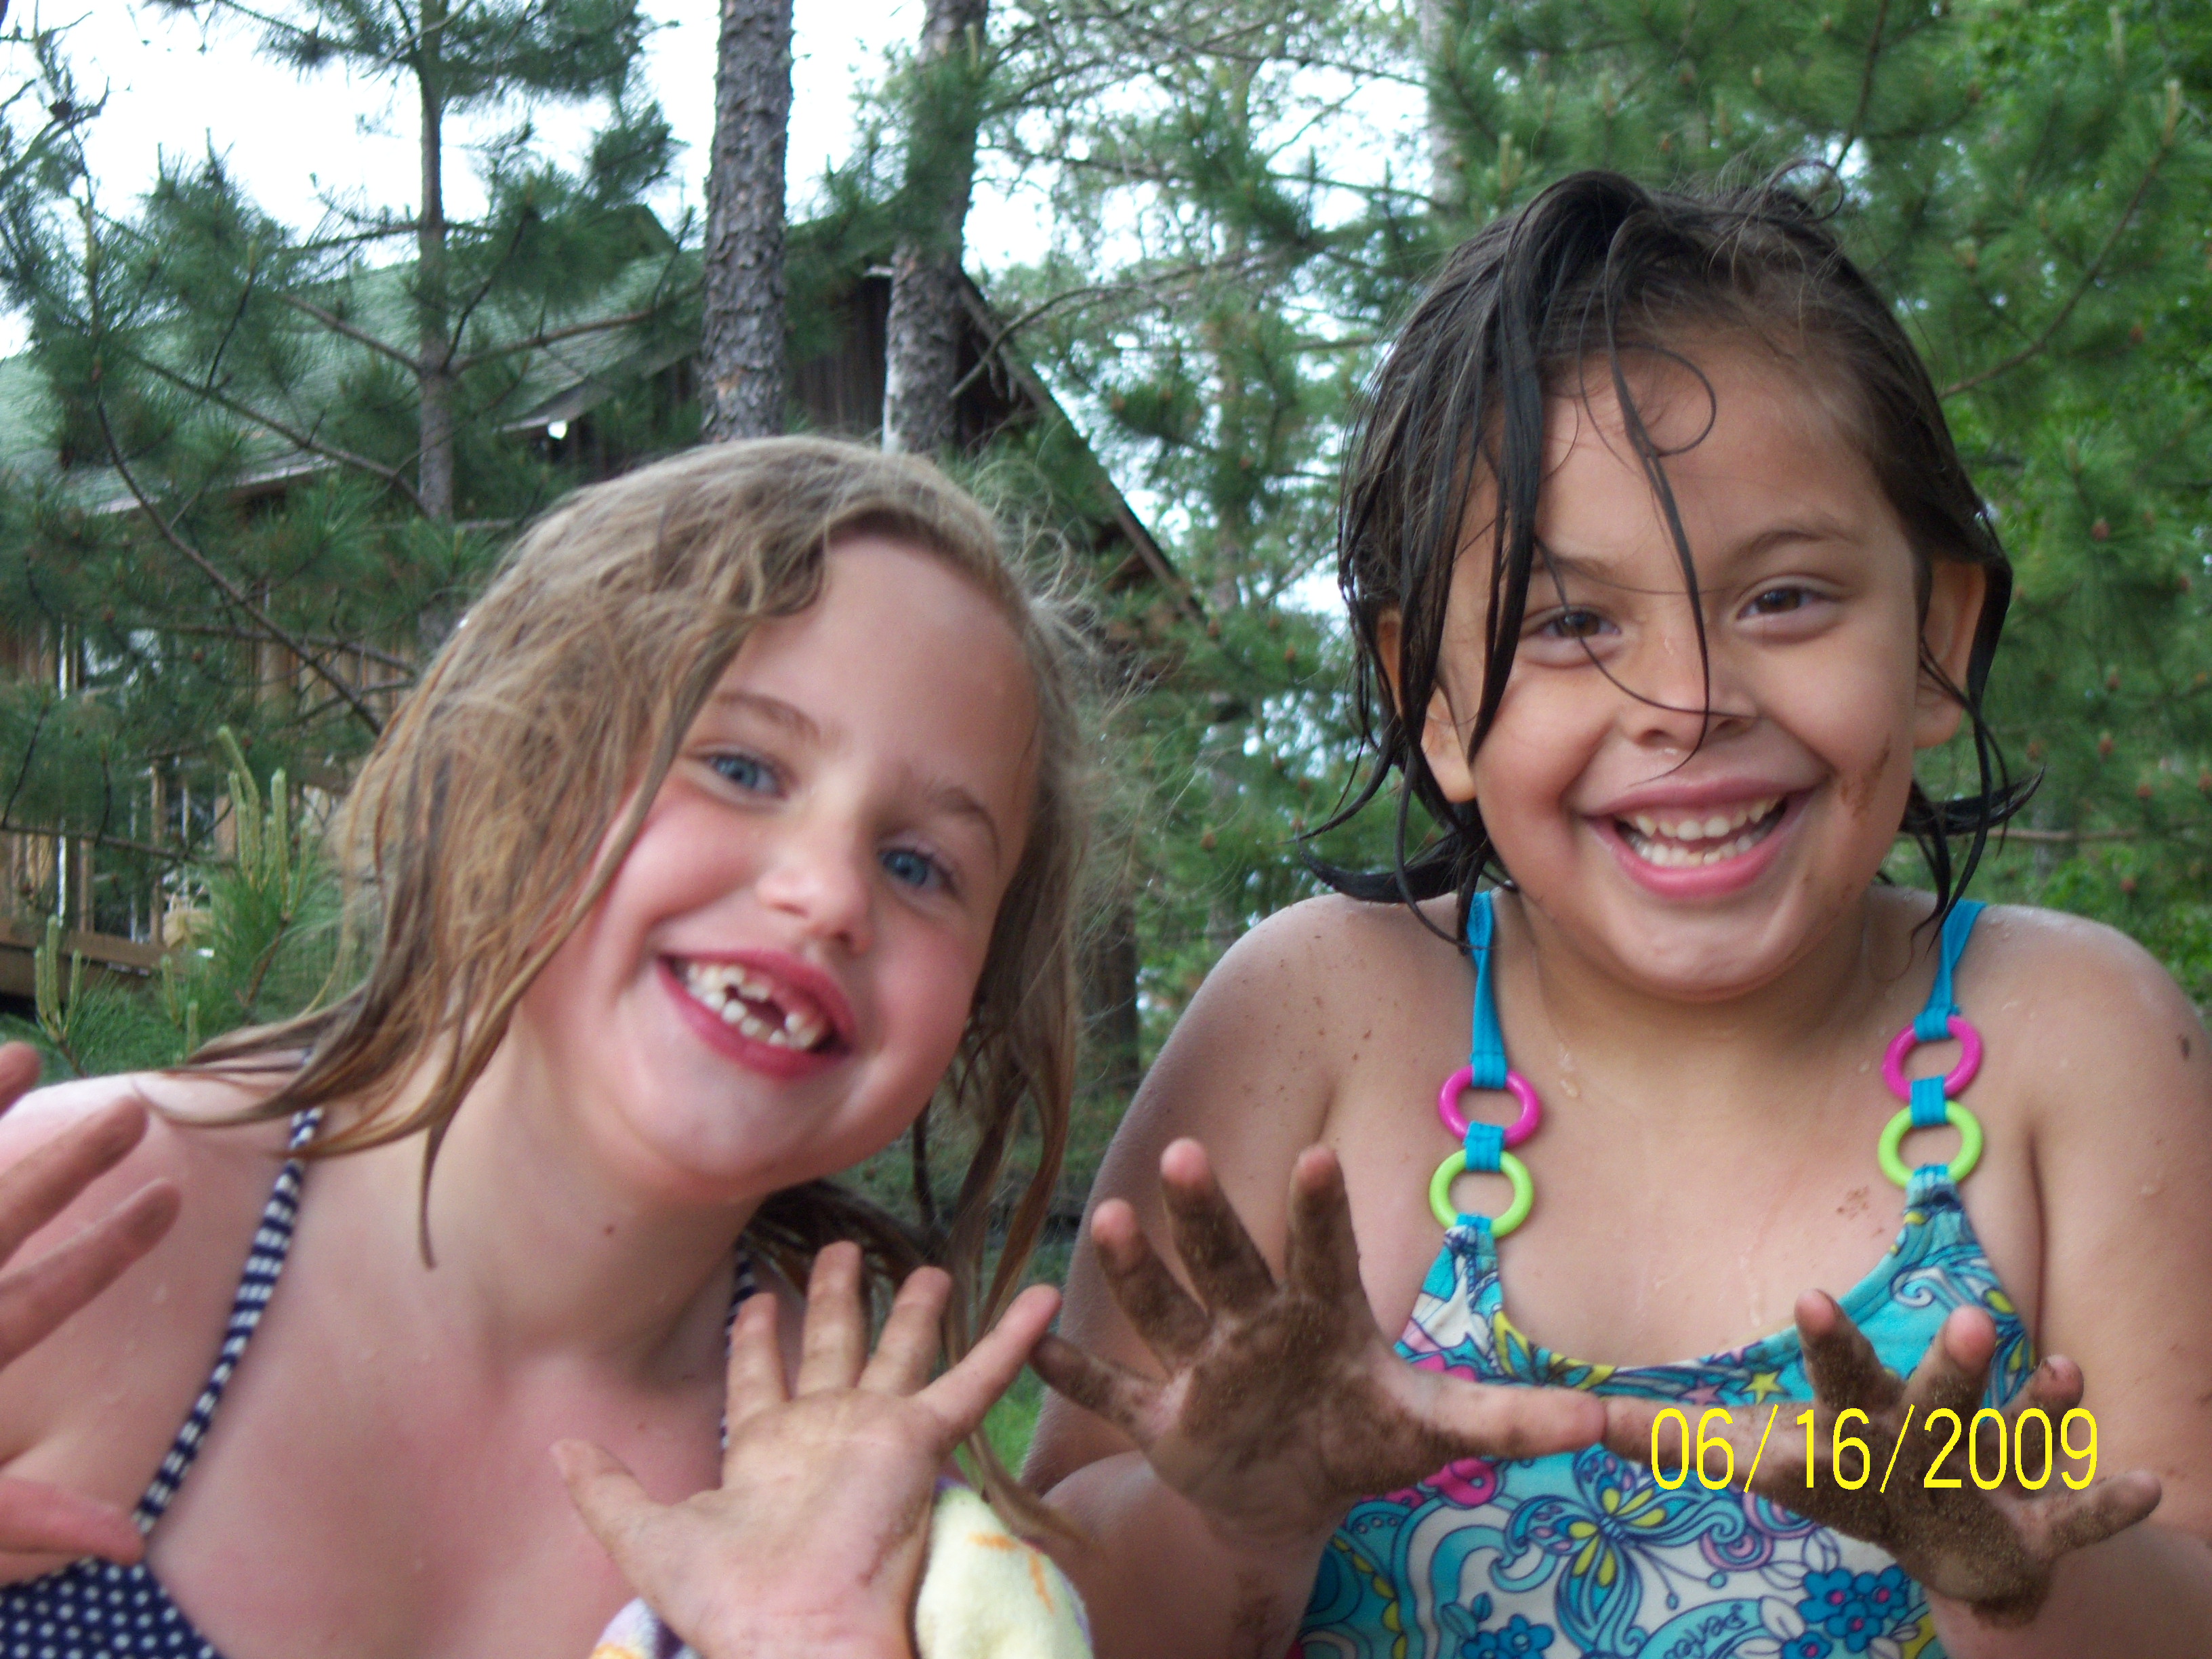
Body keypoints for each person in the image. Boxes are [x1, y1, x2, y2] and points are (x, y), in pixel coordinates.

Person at [1023, 171, 2212, 1659]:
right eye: (1571, 622)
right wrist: (1234, 1520)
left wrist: (2016, 1581)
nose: (1690, 704)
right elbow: (1035, 1611)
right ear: (1428, 699)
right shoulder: (1318, 1019)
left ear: (1936, 640)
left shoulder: (2074, 1043)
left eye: (1785, 598)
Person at [0, 437, 1092, 1659]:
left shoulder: (859, 1507)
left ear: (977, 1003)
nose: (833, 892)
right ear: (513, 759)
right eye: (740, 767)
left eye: (919, 865)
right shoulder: (84, 1231)